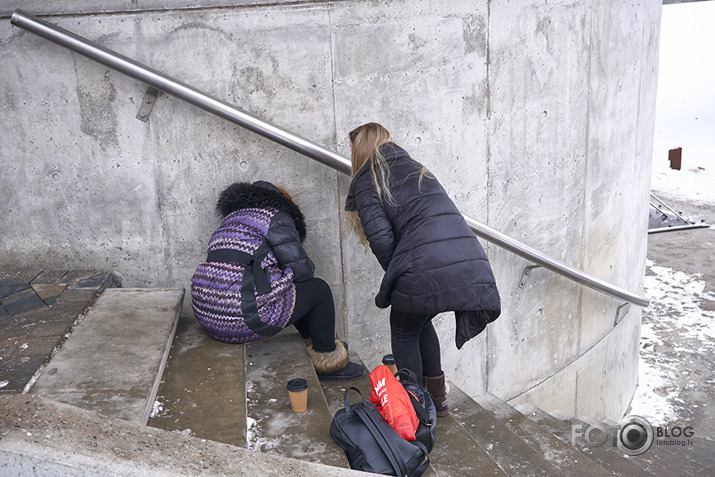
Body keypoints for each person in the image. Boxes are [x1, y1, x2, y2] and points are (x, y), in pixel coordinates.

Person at [345, 123, 501, 416]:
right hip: (467, 258)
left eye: (350, 149)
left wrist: (399, 275)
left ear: (358, 148)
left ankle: (414, 409)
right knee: (420, 322)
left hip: (426, 263)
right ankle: (437, 402)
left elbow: (380, 238)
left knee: (403, 331)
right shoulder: (416, 169)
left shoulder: (368, 179)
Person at [192, 180, 365, 381]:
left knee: (287, 289)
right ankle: (328, 361)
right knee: (319, 290)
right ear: (283, 200)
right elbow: (302, 272)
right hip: (241, 318)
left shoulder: (232, 219)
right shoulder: (275, 217)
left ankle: (317, 341)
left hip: (208, 315)